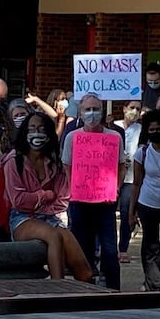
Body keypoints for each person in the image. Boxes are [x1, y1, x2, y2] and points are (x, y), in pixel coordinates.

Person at [4, 112, 92, 282]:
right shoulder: (13, 161)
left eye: (42, 129)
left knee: (85, 273)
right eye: (32, 128)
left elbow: (62, 198)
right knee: (53, 236)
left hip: (51, 217)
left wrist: (40, 203)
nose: (37, 132)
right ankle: (56, 288)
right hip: (22, 218)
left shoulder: (54, 160)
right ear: (25, 132)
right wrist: (46, 195)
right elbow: (18, 200)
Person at [62, 93, 125, 290]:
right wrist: (73, 189)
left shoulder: (114, 137)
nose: (92, 113)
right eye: (88, 109)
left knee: (109, 250)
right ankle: (85, 289)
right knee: (82, 247)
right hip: (80, 202)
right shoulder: (72, 137)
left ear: (103, 111)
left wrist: (116, 188)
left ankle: (114, 291)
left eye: (96, 109)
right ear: (80, 112)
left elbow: (121, 166)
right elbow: (67, 167)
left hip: (105, 202)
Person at [128, 109, 160, 291]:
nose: (155, 133)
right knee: (150, 244)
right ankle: (151, 283)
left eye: (159, 129)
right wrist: (131, 212)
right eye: (151, 130)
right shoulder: (142, 152)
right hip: (147, 203)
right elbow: (136, 183)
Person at [114, 100, 143, 263]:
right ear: (124, 108)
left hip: (131, 177)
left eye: (138, 109)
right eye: (131, 108)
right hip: (112, 176)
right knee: (108, 212)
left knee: (127, 212)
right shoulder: (114, 126)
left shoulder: (140, 129)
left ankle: (123, 248)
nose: (134, 111)